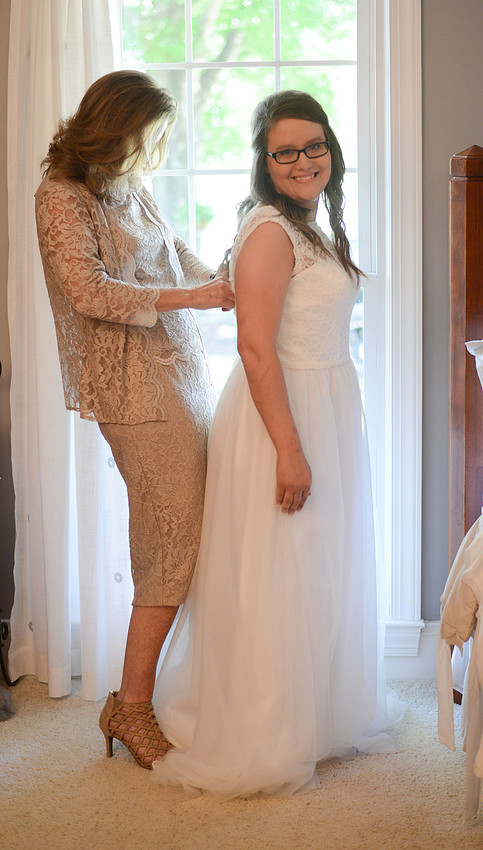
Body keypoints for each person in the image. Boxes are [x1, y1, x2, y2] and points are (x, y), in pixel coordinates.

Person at [151, 89, 400, 798]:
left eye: (313, 146)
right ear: (265, 162)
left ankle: (314, 715)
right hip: (279, 414)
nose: (302, 161)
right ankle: (266, 729)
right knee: (281, 569)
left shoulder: (311, 226)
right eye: (284, 151)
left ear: (331, 152)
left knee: (315, 562)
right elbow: (255, 349)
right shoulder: (268, 232)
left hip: (325, 401)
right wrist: (289, 451)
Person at [34, 70, 235, 769]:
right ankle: (131, 706)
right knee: (168, 543)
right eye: (146, 135)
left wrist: (222, 280)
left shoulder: (126, 184)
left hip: (180, 372)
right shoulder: (60, 196)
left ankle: (148, 694)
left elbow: (172, 250)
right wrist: (193, 298)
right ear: (112, 126)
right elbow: (87, 291)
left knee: (189, 534)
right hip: (131, 389)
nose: (151, 150)